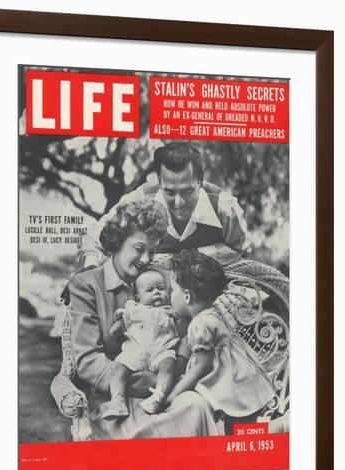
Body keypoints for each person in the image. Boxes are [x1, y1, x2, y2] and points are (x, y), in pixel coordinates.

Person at [69, 198, 220, 440]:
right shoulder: (86, 285)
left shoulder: (162, 281)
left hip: (162, 389)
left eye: (153, 250)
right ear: (117, 241)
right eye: (139, 249)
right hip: (115, 402)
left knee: (196, 405)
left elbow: (181, 330)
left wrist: (171, 376)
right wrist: (143, 382)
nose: (147, 259)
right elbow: (87, 360)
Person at [80, 141, 249, 269]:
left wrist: (192, 258)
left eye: (187, 191)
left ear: (200, 181)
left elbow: (241, 251)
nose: (179, 203)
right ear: (159, 182)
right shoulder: (141, 199)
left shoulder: (224, 207)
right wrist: (91, 268)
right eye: (169, 192)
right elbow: (94, 237)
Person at [166, 249, 276, 422]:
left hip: (230, 386)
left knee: (233, 430)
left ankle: (276, 427)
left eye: (172, 291)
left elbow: (201, 367)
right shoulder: (214, 312)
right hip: (244, 378)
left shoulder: (200, 324)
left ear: (187, 296)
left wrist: (174, 393)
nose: (169, 296)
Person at [102, 268, 179, 420]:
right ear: (138, 297)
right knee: (118, 368)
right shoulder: (133, 308)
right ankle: (117, 401)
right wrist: (119, 325)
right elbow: (122, 320)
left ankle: (158, 397)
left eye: (161, 288)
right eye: (150, 290)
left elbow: (181, 330)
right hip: (136, 351)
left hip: (162, 350)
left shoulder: (171, 310)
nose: (157, 292)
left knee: (169, 365)